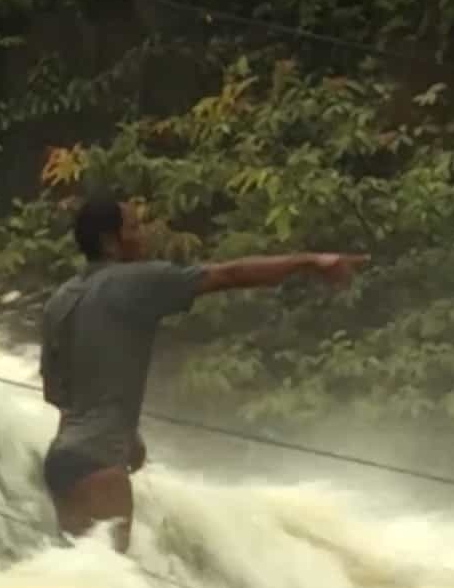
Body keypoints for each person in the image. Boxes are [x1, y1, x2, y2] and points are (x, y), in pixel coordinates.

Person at [38, 196, 367, 552]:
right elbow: (229, 274)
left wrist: (125, 436)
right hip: (101, 464)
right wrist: (311, 262)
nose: (143, 236)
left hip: (61, 462)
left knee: (86, 576)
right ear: (109, 241)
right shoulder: (135, 282)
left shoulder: (60, 300)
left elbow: (58, 396)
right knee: (106, 575)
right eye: (133, 228)